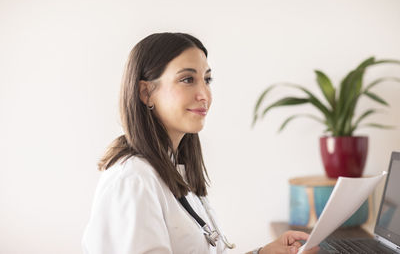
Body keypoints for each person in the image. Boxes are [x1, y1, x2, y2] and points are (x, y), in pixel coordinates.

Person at [82, 32, 319, 254]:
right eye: (187, 79)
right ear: (146, 93)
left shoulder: (175, 170)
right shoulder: (133, 180)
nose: (204, 94)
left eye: (207, 79)